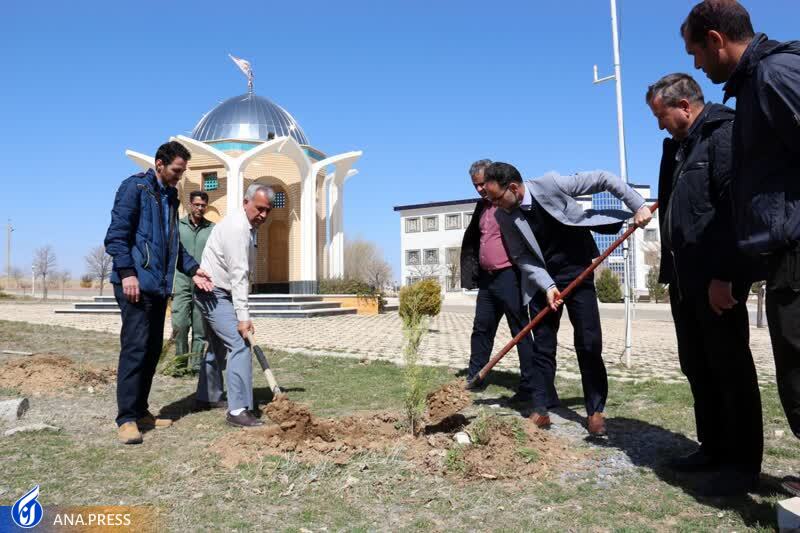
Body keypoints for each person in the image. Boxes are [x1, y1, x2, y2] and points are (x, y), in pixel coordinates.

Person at [681, 0, 800, 495]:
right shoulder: (753, 85)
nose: (696, 66)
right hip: (782, 256)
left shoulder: (775, 74)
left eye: (696, 53)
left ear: (716, 40)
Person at [647, 72, 762, 495]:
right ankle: (712, 448)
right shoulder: (679, 148)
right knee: (698, 366)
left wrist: (727, 275)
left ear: (683, 106)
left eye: (661, 116)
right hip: (685, 279)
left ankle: (742, 466)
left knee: (730, 369)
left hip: (716, 280)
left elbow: (736, 208)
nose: (659, 126)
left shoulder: (722, 134)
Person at [482, 162, 652, 435]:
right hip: (543, 282)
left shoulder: (552, 184)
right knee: (542, 347)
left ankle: (595, 410)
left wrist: (638, 205)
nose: (494, 205)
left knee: (588, 342)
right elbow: (521, 256)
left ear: (513, 188)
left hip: (577, 271)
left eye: (497, 198)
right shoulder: (504, 216)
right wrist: (547, 285)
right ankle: (541, 409)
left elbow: (603, 178)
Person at [104, 141, 214, 445]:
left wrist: (193, 269)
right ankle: (126, 418)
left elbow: (172, 244)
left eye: (182, 171)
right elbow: (116, 236)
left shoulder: (170, 196)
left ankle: (141, 411)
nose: (180, 176)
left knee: (152, 350)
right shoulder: (135, 188)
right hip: (134, 284)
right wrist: (127, 273)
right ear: (160, 164)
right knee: (135, 348)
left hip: (158, 287)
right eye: (177, 170)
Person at [460, 159, 539, 407]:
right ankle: (475, 377)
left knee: (520, 330)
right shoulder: (481, 207)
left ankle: (529, 385)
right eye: (475, 185)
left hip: (510, 276)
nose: (480, 189)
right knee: (481, 327)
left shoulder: (509, 203)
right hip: (487, 279)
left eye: (482, 184)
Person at [195, 184, 273, 427]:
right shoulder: (237, 228)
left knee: (217, 346)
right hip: (212, 293)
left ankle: (208, 395)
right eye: (259, 208)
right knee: (240, 344)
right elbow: (239, 274)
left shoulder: (247, 226)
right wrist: (243, 317)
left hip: (220, 291)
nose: (263, 214)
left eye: (267, 210)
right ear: (245, 202)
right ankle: (238, 410)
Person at [171, 191, 215, 371]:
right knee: (180, 324)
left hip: (203, 283)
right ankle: (180, 364)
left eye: (203, 205)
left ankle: (196, 365)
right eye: (197, 204)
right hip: (181, 280)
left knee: (200, 327)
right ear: (190, 205)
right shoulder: (177, 226)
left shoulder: (212, 229)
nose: (200, 208)